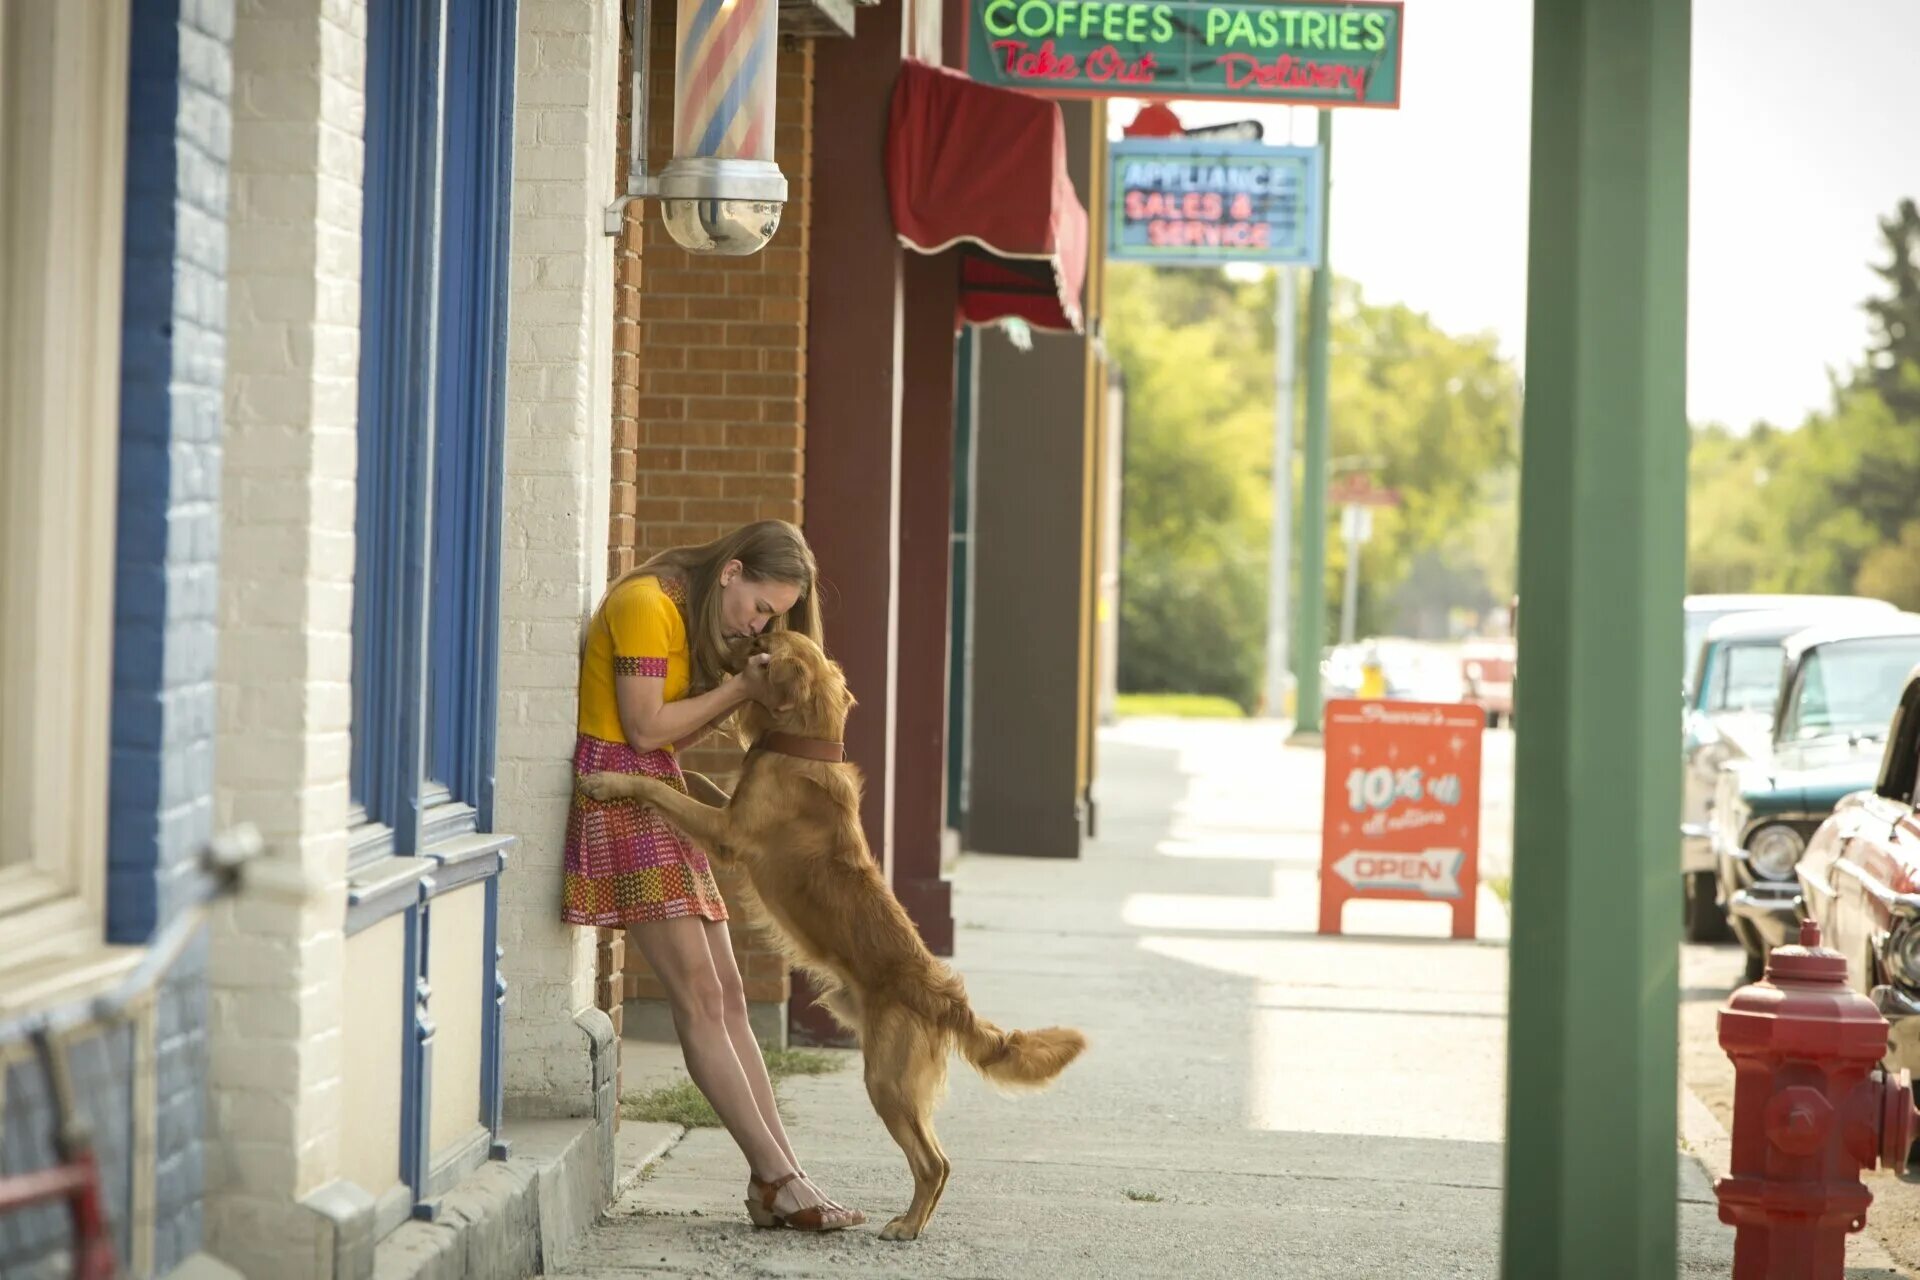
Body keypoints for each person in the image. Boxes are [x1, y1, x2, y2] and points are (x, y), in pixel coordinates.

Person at [564, 520, 864, 1232]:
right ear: (731, 571)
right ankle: (778, 1180)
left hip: (657, 793)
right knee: (700, 996)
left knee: (729, 994)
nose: (761, 624)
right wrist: (738, 691)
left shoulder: (686, 613)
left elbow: (667, 734)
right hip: (621, 797)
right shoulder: (647, 604)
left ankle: (782, 1176)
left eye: (775, 616)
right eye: (762, 606)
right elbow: (640, 730)